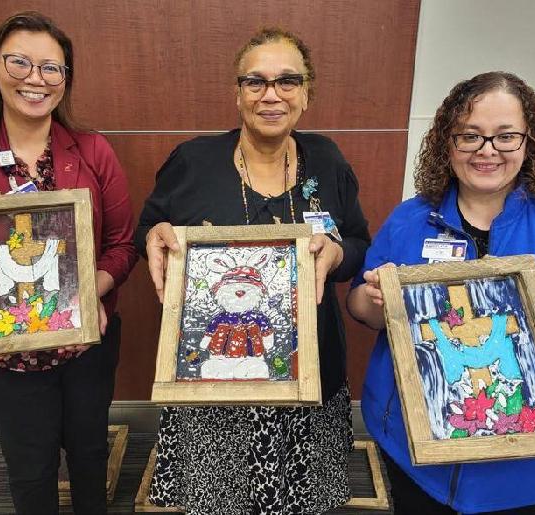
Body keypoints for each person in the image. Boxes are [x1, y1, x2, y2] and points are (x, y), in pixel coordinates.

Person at [347, 71, 535, 514]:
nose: (487, 150)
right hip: (416, 454)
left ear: (530, 140)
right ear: (448, 143)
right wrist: (375, 298)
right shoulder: (411, 219)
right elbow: (362, 305)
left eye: (505, 136)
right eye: (470, 136)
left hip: (530, 465)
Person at [135, 28, 370, 514]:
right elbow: (150, 230)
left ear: (306, 92)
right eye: (256, 81)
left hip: (309, 371)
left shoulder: (327, 160)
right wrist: (153, 236)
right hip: (212, 381)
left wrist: (337, 254)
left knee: (299, 500)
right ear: (237, 92)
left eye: (287, 81)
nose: (271, 95)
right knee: (218, 499)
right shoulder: (193, 161)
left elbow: (358, 242)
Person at [0, 12, 137, 514]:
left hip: (85, 345)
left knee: (89, 456)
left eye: (51, 68)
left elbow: (122, 246)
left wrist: (88, 295)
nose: (35, 78)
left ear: (65, 79)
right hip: (5, 355)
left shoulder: (94, 151)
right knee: (30, 469)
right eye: (19, 62)